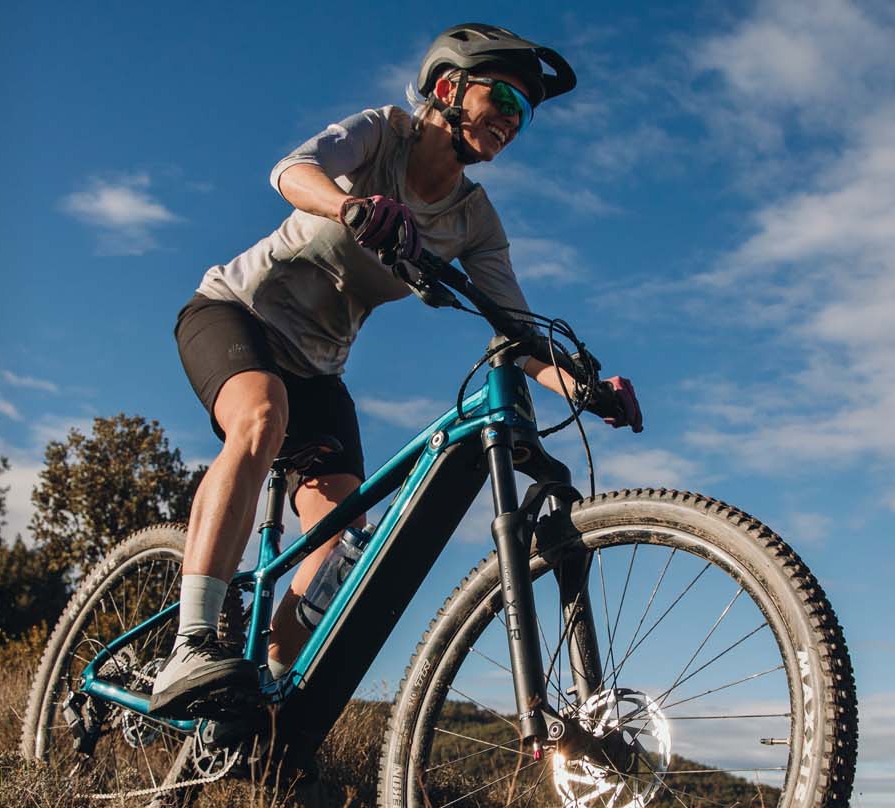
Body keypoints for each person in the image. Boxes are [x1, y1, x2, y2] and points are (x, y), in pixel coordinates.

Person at [151, 23, 641, 716]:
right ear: (447, 88)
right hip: (236, 315)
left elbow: (518, 330)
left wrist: (587, 389)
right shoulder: (382, 133)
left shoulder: (474, 220)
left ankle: (265, 706)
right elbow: (292, 171)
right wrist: (352, 205)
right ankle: (192, 641)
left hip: (317, 370)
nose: (512, 119)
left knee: (348, 548)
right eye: (502, 95)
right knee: (261, 416)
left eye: (524, 111)